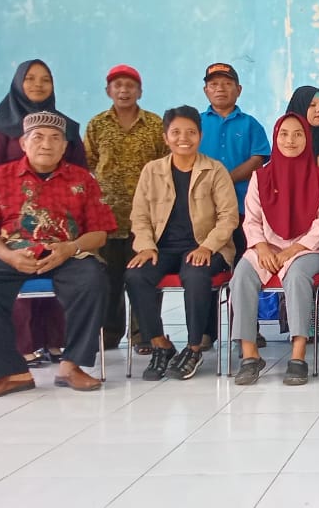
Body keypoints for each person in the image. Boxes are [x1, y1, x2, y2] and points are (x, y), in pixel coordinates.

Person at [0, 111, 115, 398]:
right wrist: (8, 256)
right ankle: (11, 372)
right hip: (12, 253)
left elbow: (100, 233)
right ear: (23, 143)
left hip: (66, 253)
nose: (46, 144)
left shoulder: (82, 180)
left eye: (55, 138)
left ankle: (71, 366)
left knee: (93, 281)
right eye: (38, 137)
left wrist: (70, 248)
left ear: (64, 146)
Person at [0, 59, 87, 366]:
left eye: (45, 79)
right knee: (20, 269)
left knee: (63, 269)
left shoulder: (66, 127)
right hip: (13, 220)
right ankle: (24, 345)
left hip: (61, 219)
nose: (38, 85)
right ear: (18, 83)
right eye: (30, 79)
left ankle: (56, 341)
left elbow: (81, 175)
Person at [125, 106, 239, 381]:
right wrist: (146, 246)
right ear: (165, 138)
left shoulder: (215, 170)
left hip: (206, 246)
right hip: (161, 248)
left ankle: (194, 347)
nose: (183, 138)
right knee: (135, 275)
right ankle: (160, 344)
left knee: (196, 273)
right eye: (176, 132)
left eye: (190, 132)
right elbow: (139, 216)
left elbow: (228, 217)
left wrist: (207, 247)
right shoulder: (152, 171)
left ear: (200, 135)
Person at [230, 114, 319, 385]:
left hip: (308, 249)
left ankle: (298, 355)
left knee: (298, 274)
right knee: (241, 274)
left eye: (298, 134)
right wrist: (262, 248)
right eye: (284, 134)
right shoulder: (260, 177)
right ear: (276, 138)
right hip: (265, 247)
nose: (291, 140)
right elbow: (251, 220)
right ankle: (249, 355)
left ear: (307, 139)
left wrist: (291, 251)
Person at [84, 64, 168, 354]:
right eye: (117, 86)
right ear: (108, 91)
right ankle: (109, 334)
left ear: (140, 91)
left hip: (146, 217)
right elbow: (89, 163)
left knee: (143, 277)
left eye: (130, 86)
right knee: (108, 279)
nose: (124, 91)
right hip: (107, 217)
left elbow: (165, 164)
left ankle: (144, 335)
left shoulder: (155, 125)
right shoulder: (97, 125)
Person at [198, 62, 271, 349]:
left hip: (243, 210)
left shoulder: (250, 124)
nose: (220, 89)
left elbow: (258, 159)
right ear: (206, 90)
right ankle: (205, 332)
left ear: (238, 90)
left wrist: (224, 179)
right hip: (204, 213)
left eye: (227, 84)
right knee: (205, 268)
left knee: (245, 271)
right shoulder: (196, 124)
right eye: (214, 84)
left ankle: (247, 330)